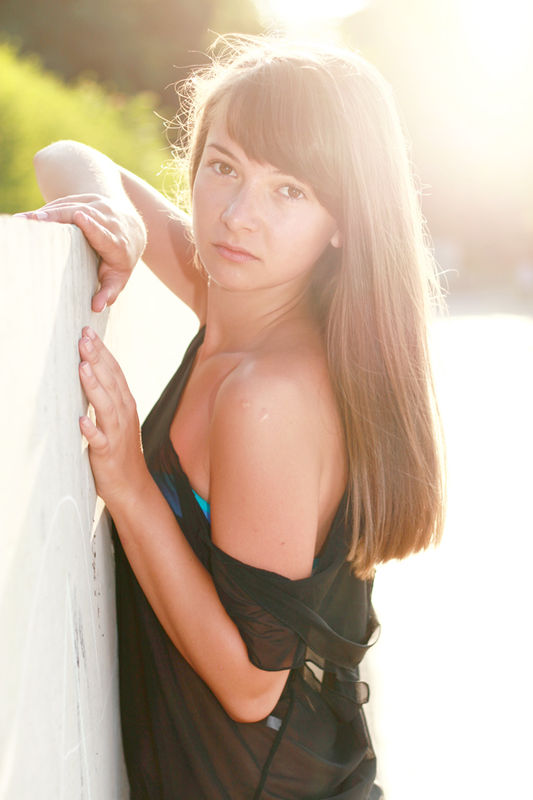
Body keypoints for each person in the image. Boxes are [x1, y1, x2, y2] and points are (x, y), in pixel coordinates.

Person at [22, 35, 445, 799]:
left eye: (291, 190)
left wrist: (129, 484)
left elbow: (252, 684)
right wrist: (114, 215)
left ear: (342, 221)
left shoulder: (268, 395)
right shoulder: (229, 296)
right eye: (223, 167)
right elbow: (65, 155)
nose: (239, 216)